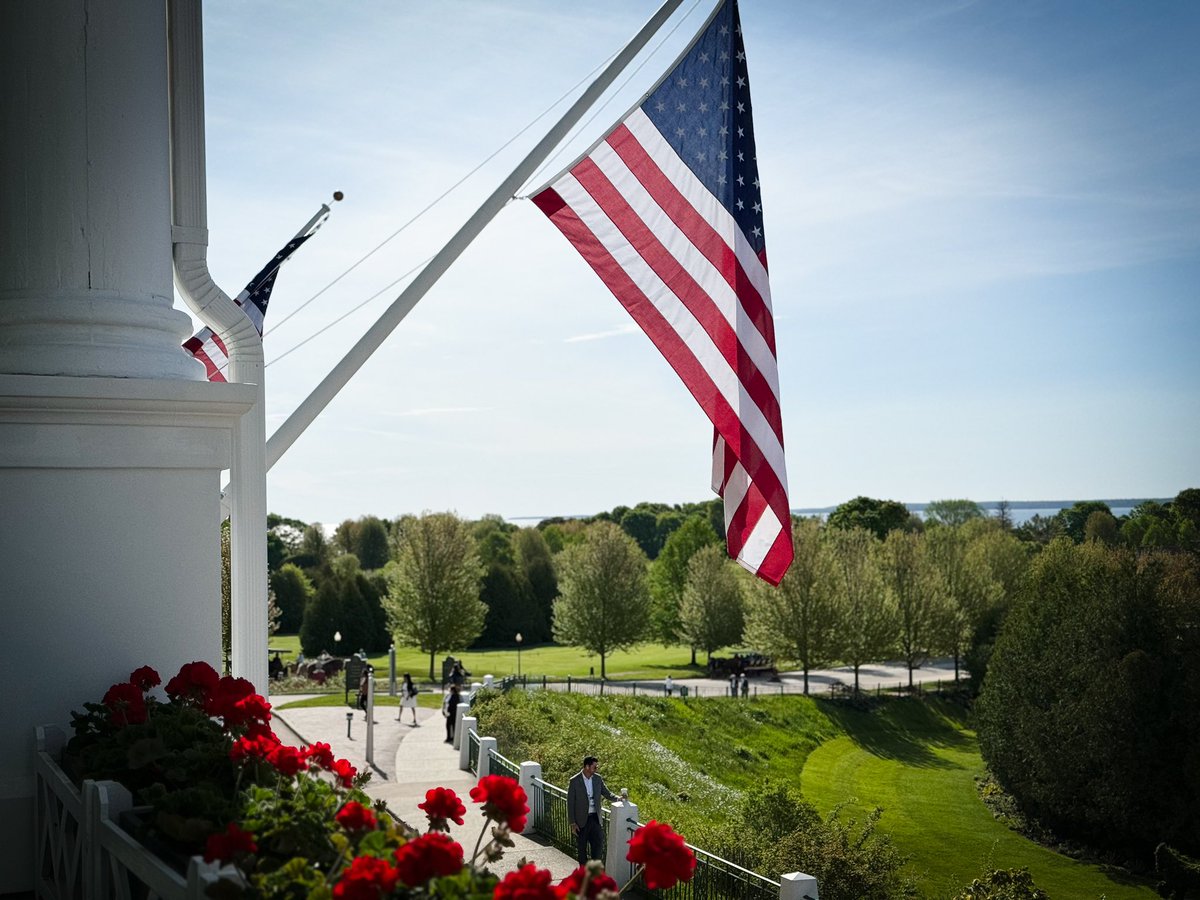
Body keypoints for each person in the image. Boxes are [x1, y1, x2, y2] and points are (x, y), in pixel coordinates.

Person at [567, 755, 619, 866]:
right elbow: (570, 803)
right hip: (581, 821)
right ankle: (583, 874)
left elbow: (606, 793)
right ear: (587, 767)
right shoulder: (575, 781)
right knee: (582, 850)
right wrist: (572, 823)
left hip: (595, 818)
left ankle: (595, 873)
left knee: (598, 845)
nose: (596, 769)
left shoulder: (597, 779)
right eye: (594, 767)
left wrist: (618, 799)